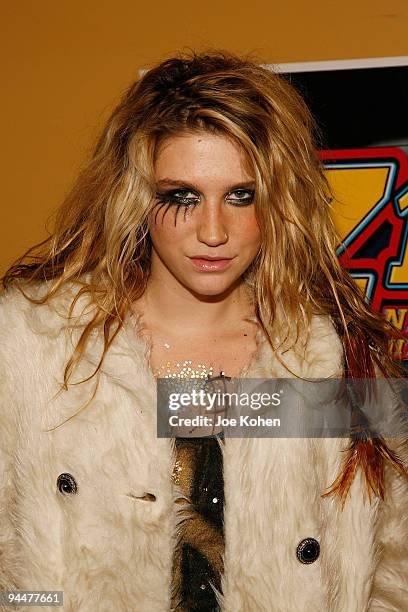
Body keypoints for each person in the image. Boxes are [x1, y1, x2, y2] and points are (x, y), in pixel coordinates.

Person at [0, 49, 407, 612]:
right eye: (182, 196)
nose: (213, 230)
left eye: (241, 195)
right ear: (137, 199)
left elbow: (395, 567)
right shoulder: (31, 346)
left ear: (280, 201)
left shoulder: (335, 357)